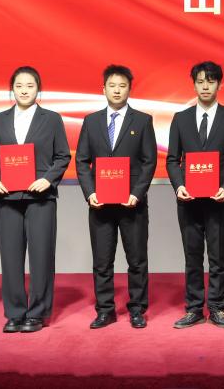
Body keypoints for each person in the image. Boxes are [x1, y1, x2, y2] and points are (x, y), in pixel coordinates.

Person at [0, 66, 72, 333]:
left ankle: (37, 313)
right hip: (7, 197)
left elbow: (62, 156)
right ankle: (14, 313)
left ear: (38, 89)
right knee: (10, 257)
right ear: (12, 89)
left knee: (41, 256)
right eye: (19, 85)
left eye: (30, 85)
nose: (24, 90)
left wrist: (48, 179)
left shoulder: (52, 119)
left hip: (41, 197)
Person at [75, 64, 157, 329]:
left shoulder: (142, 121)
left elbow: (149, 161)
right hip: (100, 203)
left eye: (122, 86)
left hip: (132, 203)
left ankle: (137, 310)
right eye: (112, 86)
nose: (117, 90)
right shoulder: (91, 121)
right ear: (104, 89)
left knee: (137, 260)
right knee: (102, 261)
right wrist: (90, 193)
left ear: (129, 89)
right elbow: (82, 161)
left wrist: (137, 193)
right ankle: (105, 310)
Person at [166, 61, 224, 329]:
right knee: (192, 256)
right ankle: (194, 309)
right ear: (194, 85)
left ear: (219, 84)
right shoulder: (181, 118)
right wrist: (179, 185)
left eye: (210, 81)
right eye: (200, 81)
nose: (205, 86)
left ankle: (218, 308)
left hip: (219, 199)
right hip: (188, 200)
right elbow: (172, 160)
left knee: (218, 256)